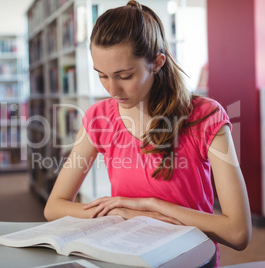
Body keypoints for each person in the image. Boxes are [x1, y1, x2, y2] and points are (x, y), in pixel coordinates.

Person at [44, 0, 252, 265]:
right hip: (124, 258)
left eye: (125, 76)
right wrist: (122, 213)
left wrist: (153, 206)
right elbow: (54, 207)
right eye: (102, 75)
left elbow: (238, 232)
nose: (112, 90)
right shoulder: (98, 117)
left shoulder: (205, 116)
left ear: (157, 62)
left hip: (188, 260)